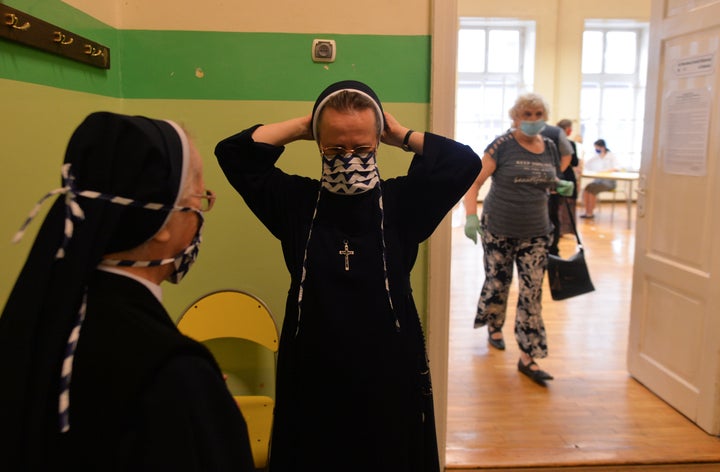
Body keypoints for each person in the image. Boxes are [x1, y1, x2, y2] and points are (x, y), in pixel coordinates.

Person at [215, 80, 481, 471]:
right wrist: (304, 126)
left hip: (388, 369)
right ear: (318, 144)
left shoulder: (403, 204)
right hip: (313, 370)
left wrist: (400, 134)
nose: (349, 158)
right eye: (335, 148)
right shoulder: (294, 204)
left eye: (362, 148)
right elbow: (232, 154)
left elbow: (464, 162)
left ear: (378, 142)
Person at [0, 112, 254, 471]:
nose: (201, 211)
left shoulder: (41, 320)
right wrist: (195, 392)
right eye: (200, 194)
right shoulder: (172, 372)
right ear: (162, 224)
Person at [463, 92, 573, 385]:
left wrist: (558, 185)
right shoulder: (502, 146)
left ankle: (529, 357)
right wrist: (471, 216)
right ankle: (494, 326)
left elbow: (548, 179)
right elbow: (474, 182)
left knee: (532, 293)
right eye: (528, 115)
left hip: (537, 232)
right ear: (515, 118)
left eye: (538, 115)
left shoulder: (549, 146)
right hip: (499, 229)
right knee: (498, 282)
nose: (534, 120)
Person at [540, 122, 572, 255]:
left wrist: (555, 176)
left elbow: (567, 155)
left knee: (552, 217)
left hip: (550, 187)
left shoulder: (555, 132)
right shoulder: (511, 134)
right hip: (523, 189)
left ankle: (552, 250)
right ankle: (551, 250)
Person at [580, 138, 617, 218]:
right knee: (587, 188)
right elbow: (587, 164)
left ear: (602, 147)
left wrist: (605, 172)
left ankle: (590, 212)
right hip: (598, 180)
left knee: (592, 189)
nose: (596, 149)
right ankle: (587, 211)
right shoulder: (596, 156)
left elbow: (616, 168)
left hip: (608, 182)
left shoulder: (611, 156)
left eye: (597, 147)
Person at [555, 119, 581, 232]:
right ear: (568, 130)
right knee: (568, 201)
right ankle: (565, 228)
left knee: (555, 203)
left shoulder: (548, 141)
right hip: (566, 175)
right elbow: (574, 162)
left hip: (554, 174)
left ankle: (556, 227)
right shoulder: (569, 144)